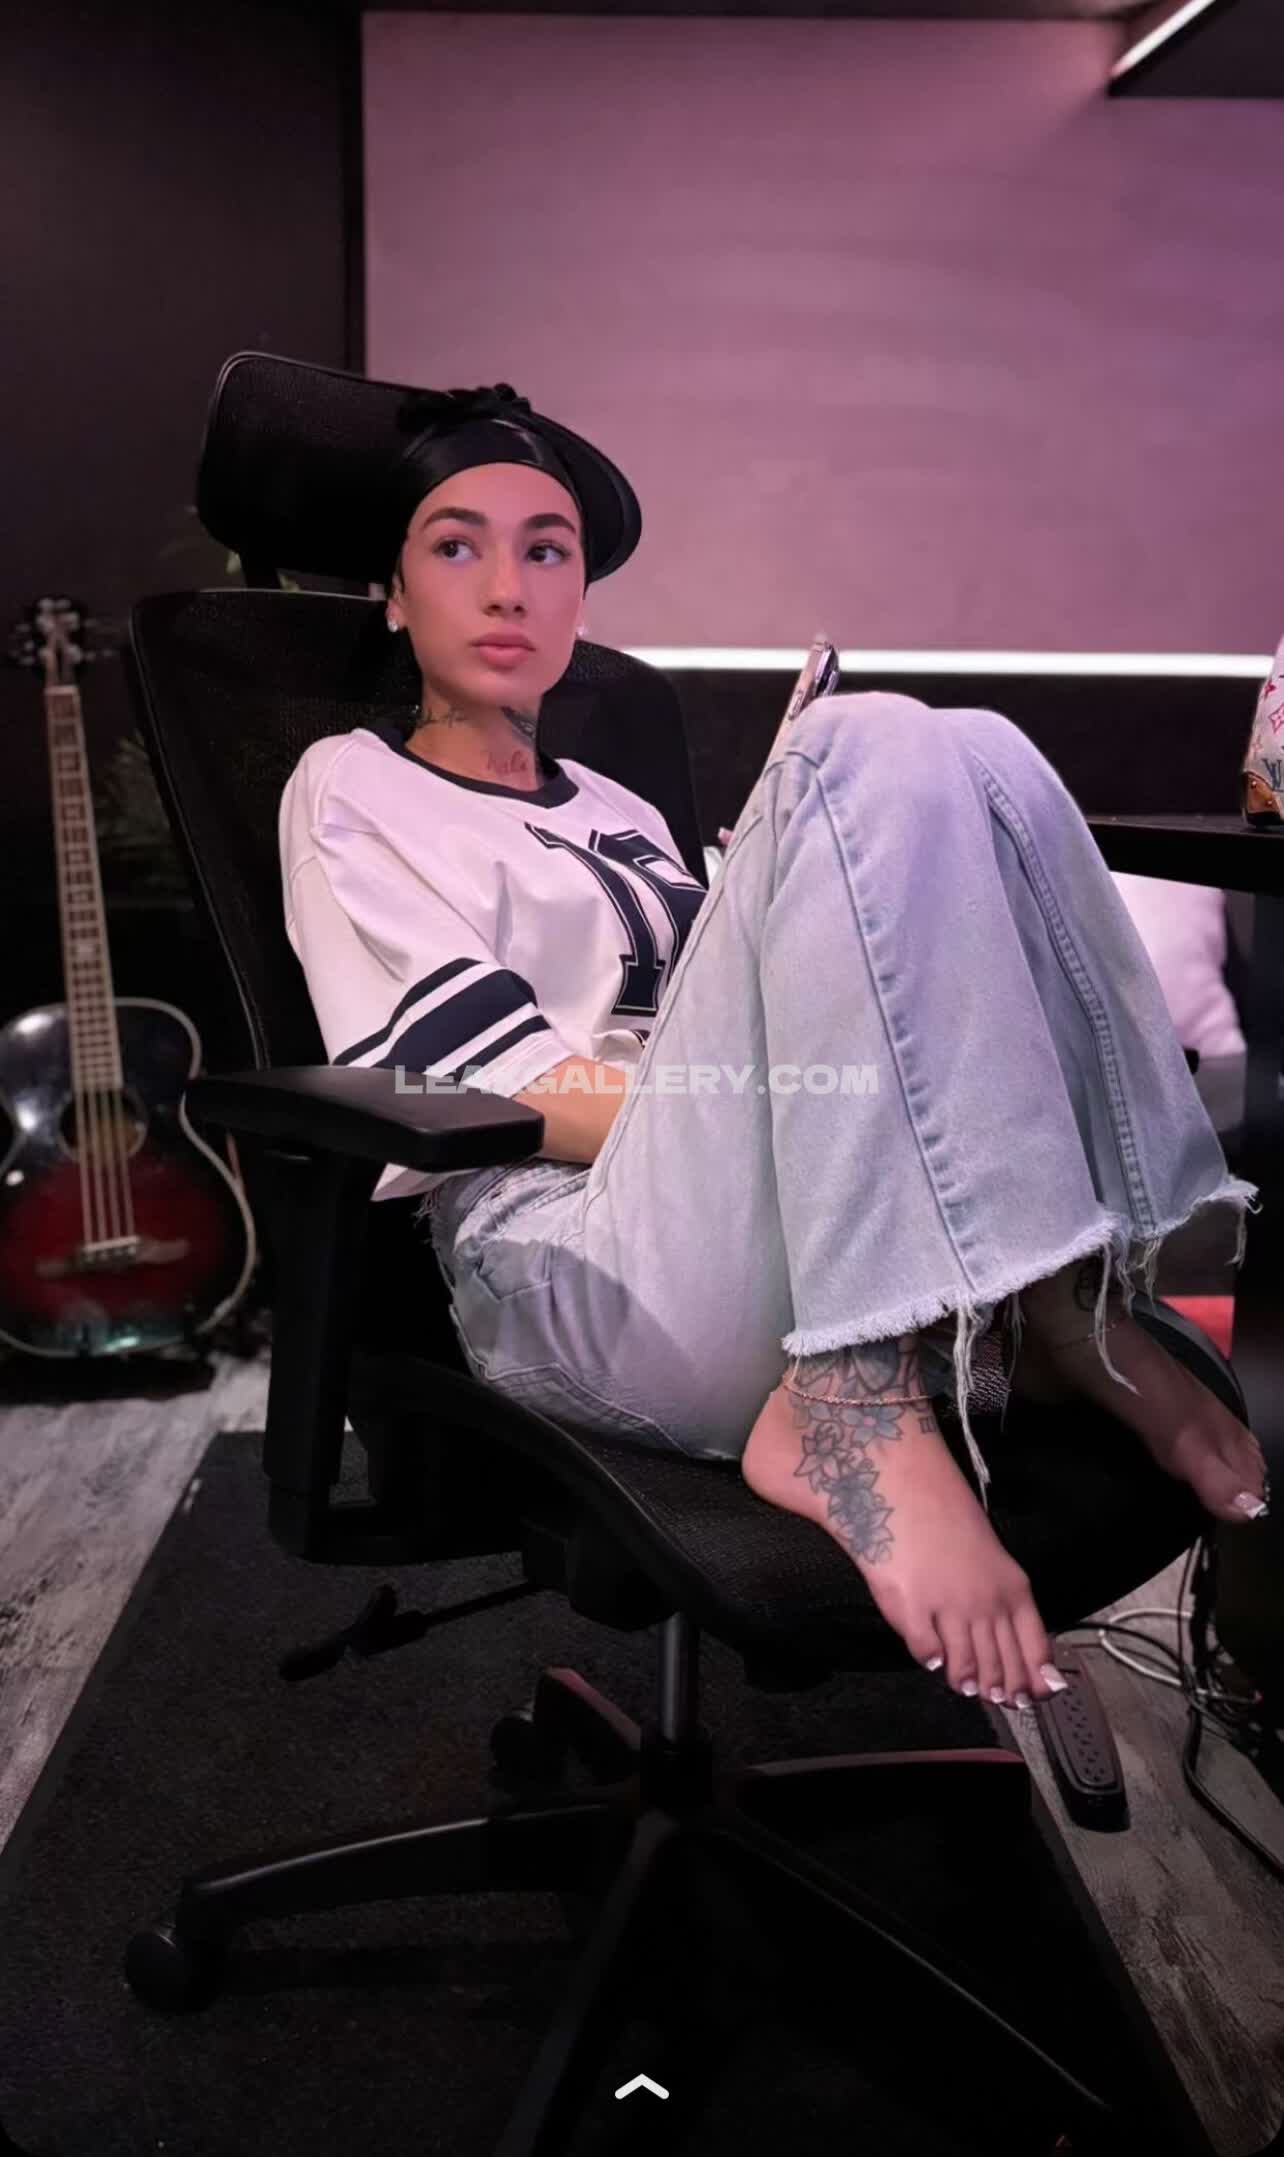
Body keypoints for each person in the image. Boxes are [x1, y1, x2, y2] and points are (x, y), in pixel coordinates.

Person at [279, 380, 1269, 1719]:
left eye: (547, 550)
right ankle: (852, 1398)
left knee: (974, 751)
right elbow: (506, 1086)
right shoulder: (355, 786)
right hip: (565, 1259)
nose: (508, 586)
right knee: (860, 745)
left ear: (580, 596)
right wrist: (799, 1081)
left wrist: (800, 968)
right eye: (458, 546)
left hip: (749, 1237)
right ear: (393, 594)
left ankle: (1059, 1301)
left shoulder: (621, 808)